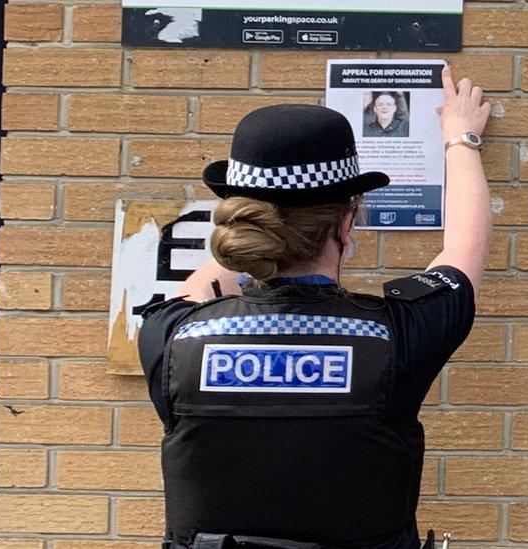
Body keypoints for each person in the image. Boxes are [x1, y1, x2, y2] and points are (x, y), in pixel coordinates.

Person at [138, 65, 492, 549]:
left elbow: (202, 284)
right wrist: (461, 138)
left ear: (239, 219)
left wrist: (257, 221)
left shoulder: (170, 338)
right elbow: (463, 252)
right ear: (345, 227)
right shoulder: (400, 337)